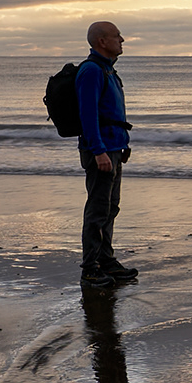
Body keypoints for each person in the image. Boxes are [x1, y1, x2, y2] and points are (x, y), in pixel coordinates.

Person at [76, 19, 134, 291]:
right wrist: (98, 151)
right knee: (98, 211)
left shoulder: (108, 71)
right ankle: (90, 269)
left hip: (112, 149)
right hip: (100, 151)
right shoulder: (92, 71)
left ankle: (106, 261)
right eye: (117, 36)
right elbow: (87, 116)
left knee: (110, 208)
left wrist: (120, 147)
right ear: (102, 41)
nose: (122, 40)